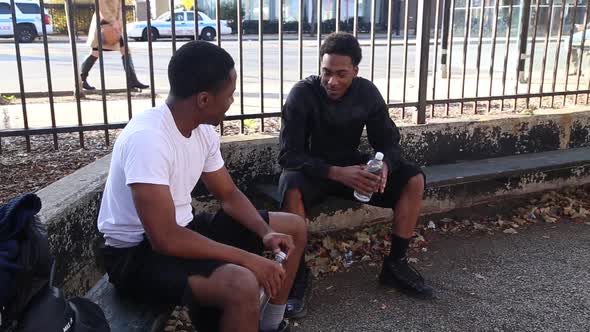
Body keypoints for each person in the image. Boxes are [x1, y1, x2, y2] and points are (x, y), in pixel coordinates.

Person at [97, 41, 305, 332]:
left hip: (184, 229)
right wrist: (250, 260)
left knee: (292, 226)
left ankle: (271, 323)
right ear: (204, 100)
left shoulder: (202, 130)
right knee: (242, 283)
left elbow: (229, 195)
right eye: (230, 95)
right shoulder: (149, 140)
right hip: (136, 256)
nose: (232, 101)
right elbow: (165, 239)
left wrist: (266, 233)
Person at [279, 32, 433, 317]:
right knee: (290, 185)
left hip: (352, 168)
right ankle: (297, 276)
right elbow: (289, 156)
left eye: (341, 74)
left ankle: (396, 265)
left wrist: (384, 164)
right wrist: (337, 173)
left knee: (413, 178)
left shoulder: (366, 92)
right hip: (313, 171)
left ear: (355, 72)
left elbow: (389, 142)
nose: (332, 81)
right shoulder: (303, 93)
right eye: (326, 72)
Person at [80, 0, 148, 91]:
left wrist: (119, 23)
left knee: (125, 50)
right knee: (95, 52)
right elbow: (102, 7)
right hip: (104, 25)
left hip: (114, 26)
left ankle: (132, 80)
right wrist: (113, 21)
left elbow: (119, 8)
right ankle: (81, 79)